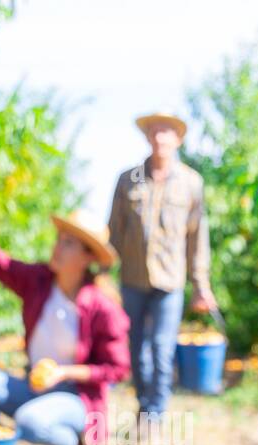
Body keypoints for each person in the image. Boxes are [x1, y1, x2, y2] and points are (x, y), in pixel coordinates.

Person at [0, 171, 129, 445]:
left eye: (69, 243)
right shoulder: (39, 282)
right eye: (59, 239)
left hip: (76, 398)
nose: (57, 247)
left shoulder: (101, 306)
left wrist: (63, 373)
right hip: (33, 387)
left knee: (30, 422)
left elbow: (117, 369)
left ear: (88, 257)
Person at [108, 111, 215, 420]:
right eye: (154, 131)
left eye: (166, 132)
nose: (160, 137)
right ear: (147, 137)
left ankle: (157, 412)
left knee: (162, 348)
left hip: (170, 280)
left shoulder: (191, 182)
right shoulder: (128, 180)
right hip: (133, 278)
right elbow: (114, 230)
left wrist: (201, 285)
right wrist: (100, 274)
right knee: (136, 348)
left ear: (177, 139)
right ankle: (145, 405)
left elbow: (197, 238)